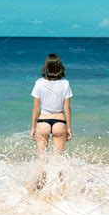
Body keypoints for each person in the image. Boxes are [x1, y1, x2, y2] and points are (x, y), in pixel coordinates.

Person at [30, 53, 73, 191]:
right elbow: (67, 108)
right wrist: (69, 128)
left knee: (42, 158)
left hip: (43, 121)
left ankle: (40, 187)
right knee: (58, 159)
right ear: (60, 66)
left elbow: (36, 108)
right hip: (59, 121)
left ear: (46, 67)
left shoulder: (39, 83)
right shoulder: (65, 83)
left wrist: (32, 128)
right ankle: (59, 188)